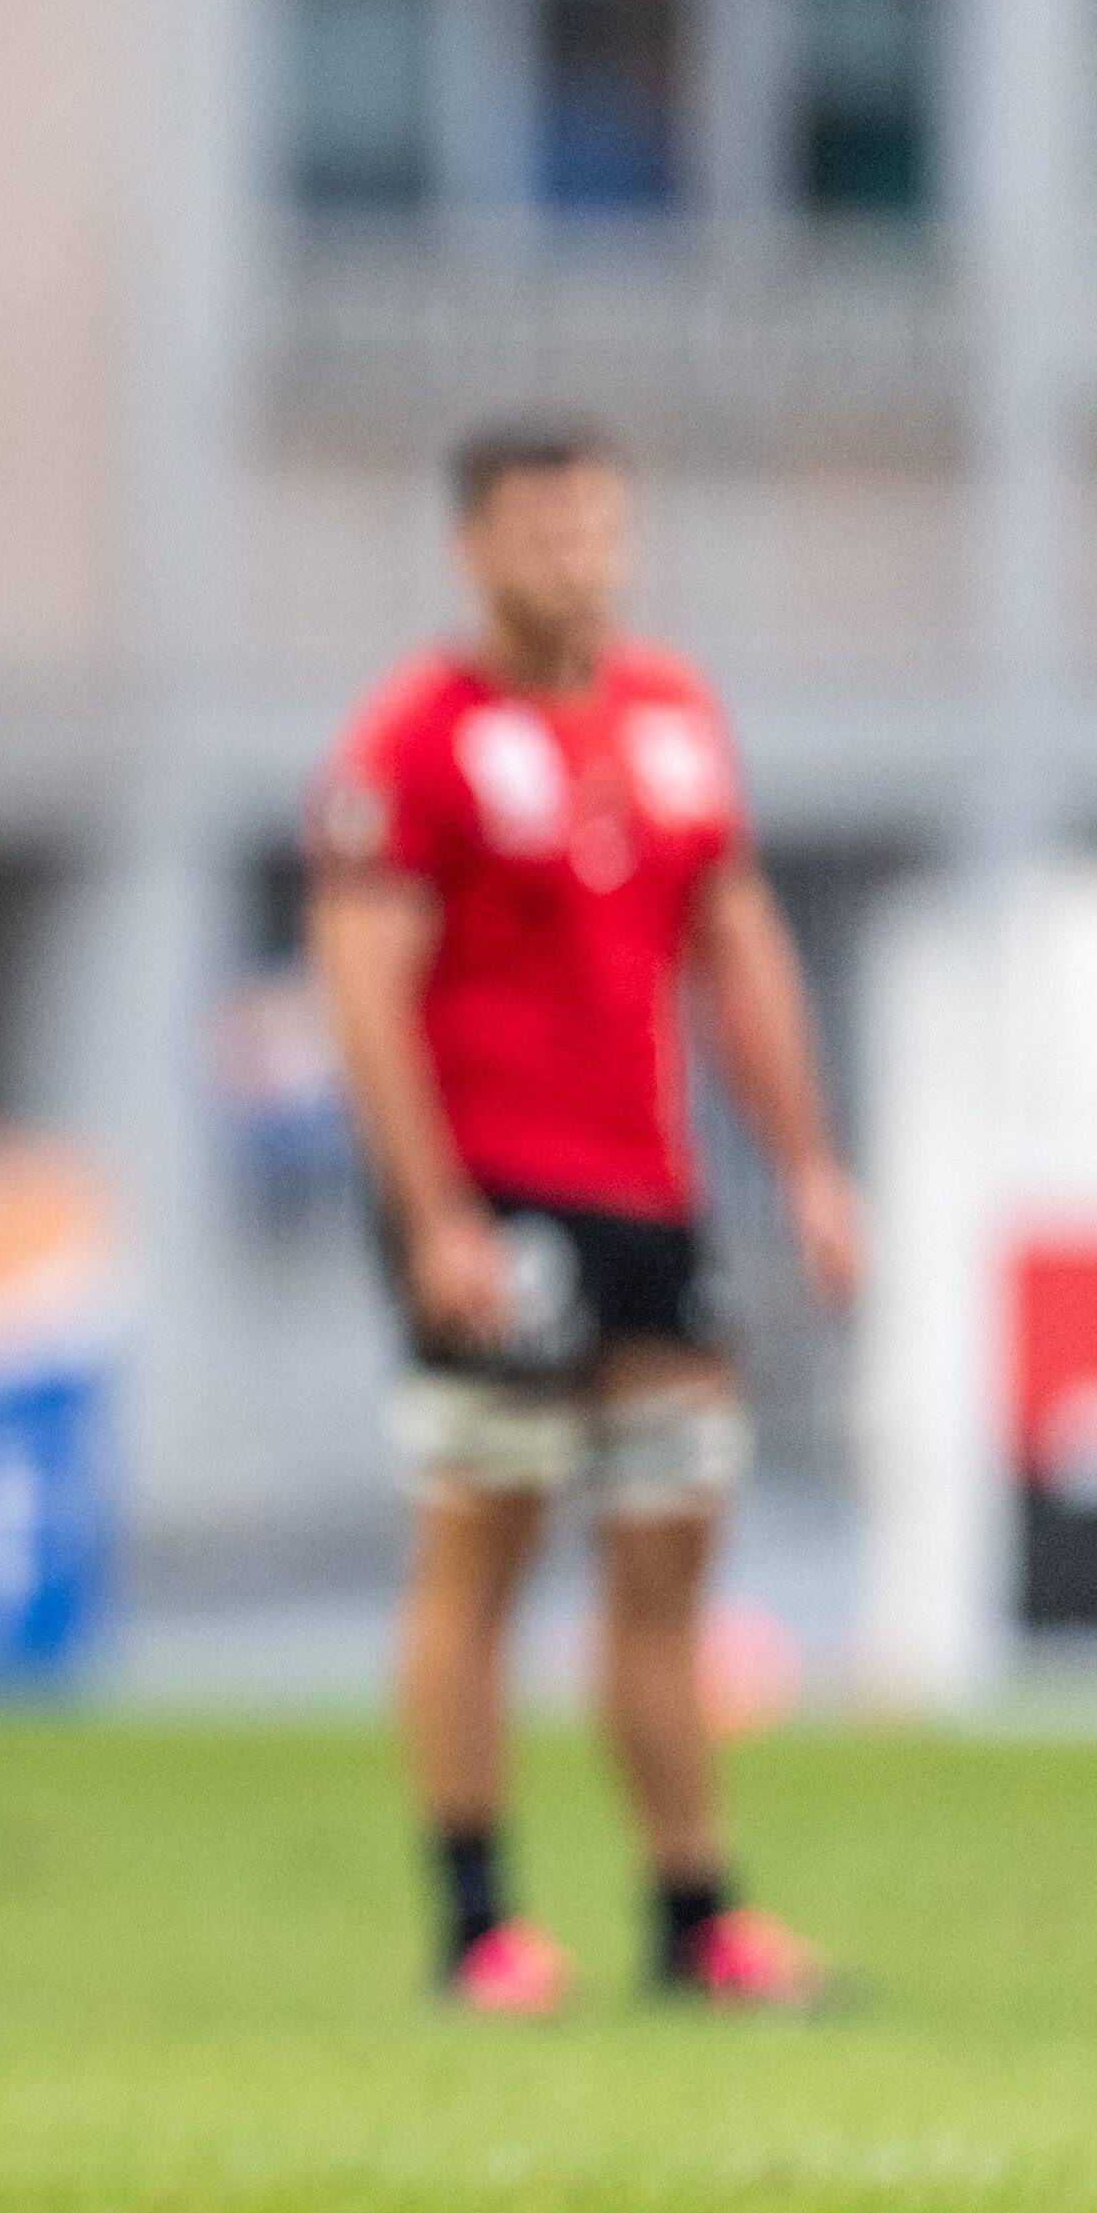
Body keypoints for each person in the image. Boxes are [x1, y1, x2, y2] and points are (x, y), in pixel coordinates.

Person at [306, 418, 860, 2019]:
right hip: (491, 1197)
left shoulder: (674, 719)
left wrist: (812, 1164)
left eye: (600, 530)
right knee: (484, 1543)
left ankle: (697, 1915)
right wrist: (432, 1217)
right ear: (474, 545)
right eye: (544, 533)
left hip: (651, 1199)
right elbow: (364, 987)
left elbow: (737, 949)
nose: (578, 561)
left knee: (670, 1545)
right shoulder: (414, 741)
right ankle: (476, 1923)